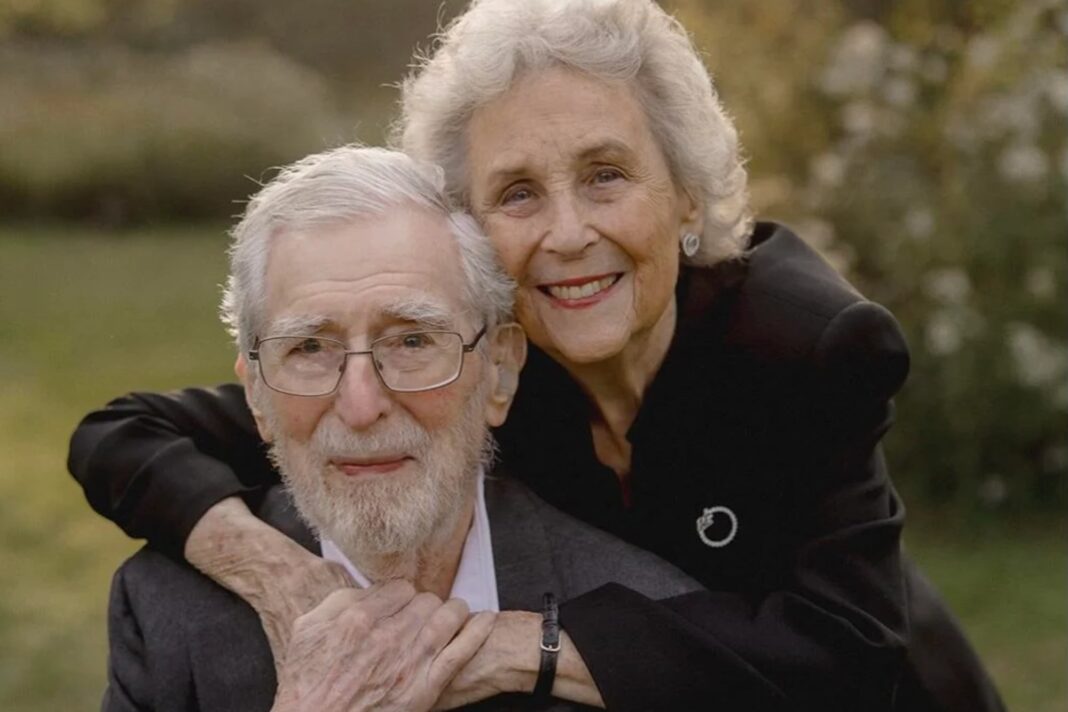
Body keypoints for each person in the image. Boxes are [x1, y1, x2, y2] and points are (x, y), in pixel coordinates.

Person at [70, 1, 1004, 710]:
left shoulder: (806, 350)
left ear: (686, 194)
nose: (566, 233)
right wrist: (287, 581)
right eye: (517, 192)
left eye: (606, 175)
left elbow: (850, 651)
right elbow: (134, 436)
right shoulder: (473, 364)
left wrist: (509, 645)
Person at [104, 145, 707, 712]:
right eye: (309, 347)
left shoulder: (652, 621)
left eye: (414, 340)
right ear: (257, 395)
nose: (361, 405)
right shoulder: (166, 613)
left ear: (499, 372)